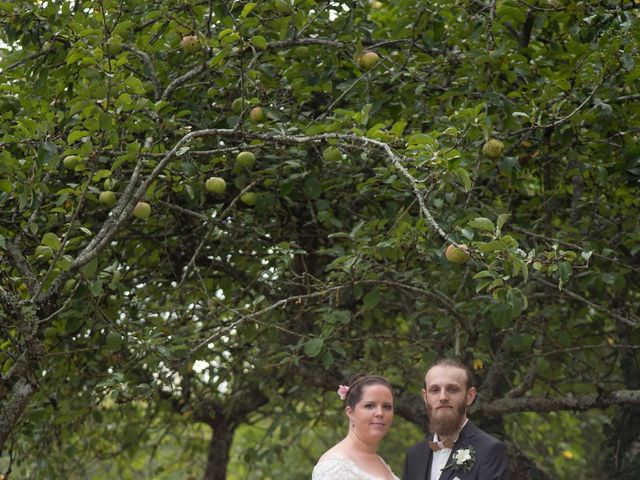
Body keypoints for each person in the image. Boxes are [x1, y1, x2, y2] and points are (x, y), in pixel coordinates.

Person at [403, 359, 510, 480]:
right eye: (435, 390)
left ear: (469, 396)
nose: (443, 397)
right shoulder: (414, 455)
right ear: (425, 397)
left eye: (452, 389)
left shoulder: (490, 451)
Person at [312, 374, 400, 480]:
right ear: (350, 412)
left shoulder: (380, 461)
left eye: (387, 407)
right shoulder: (335, 466)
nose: (380, 413)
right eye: (369, 406)